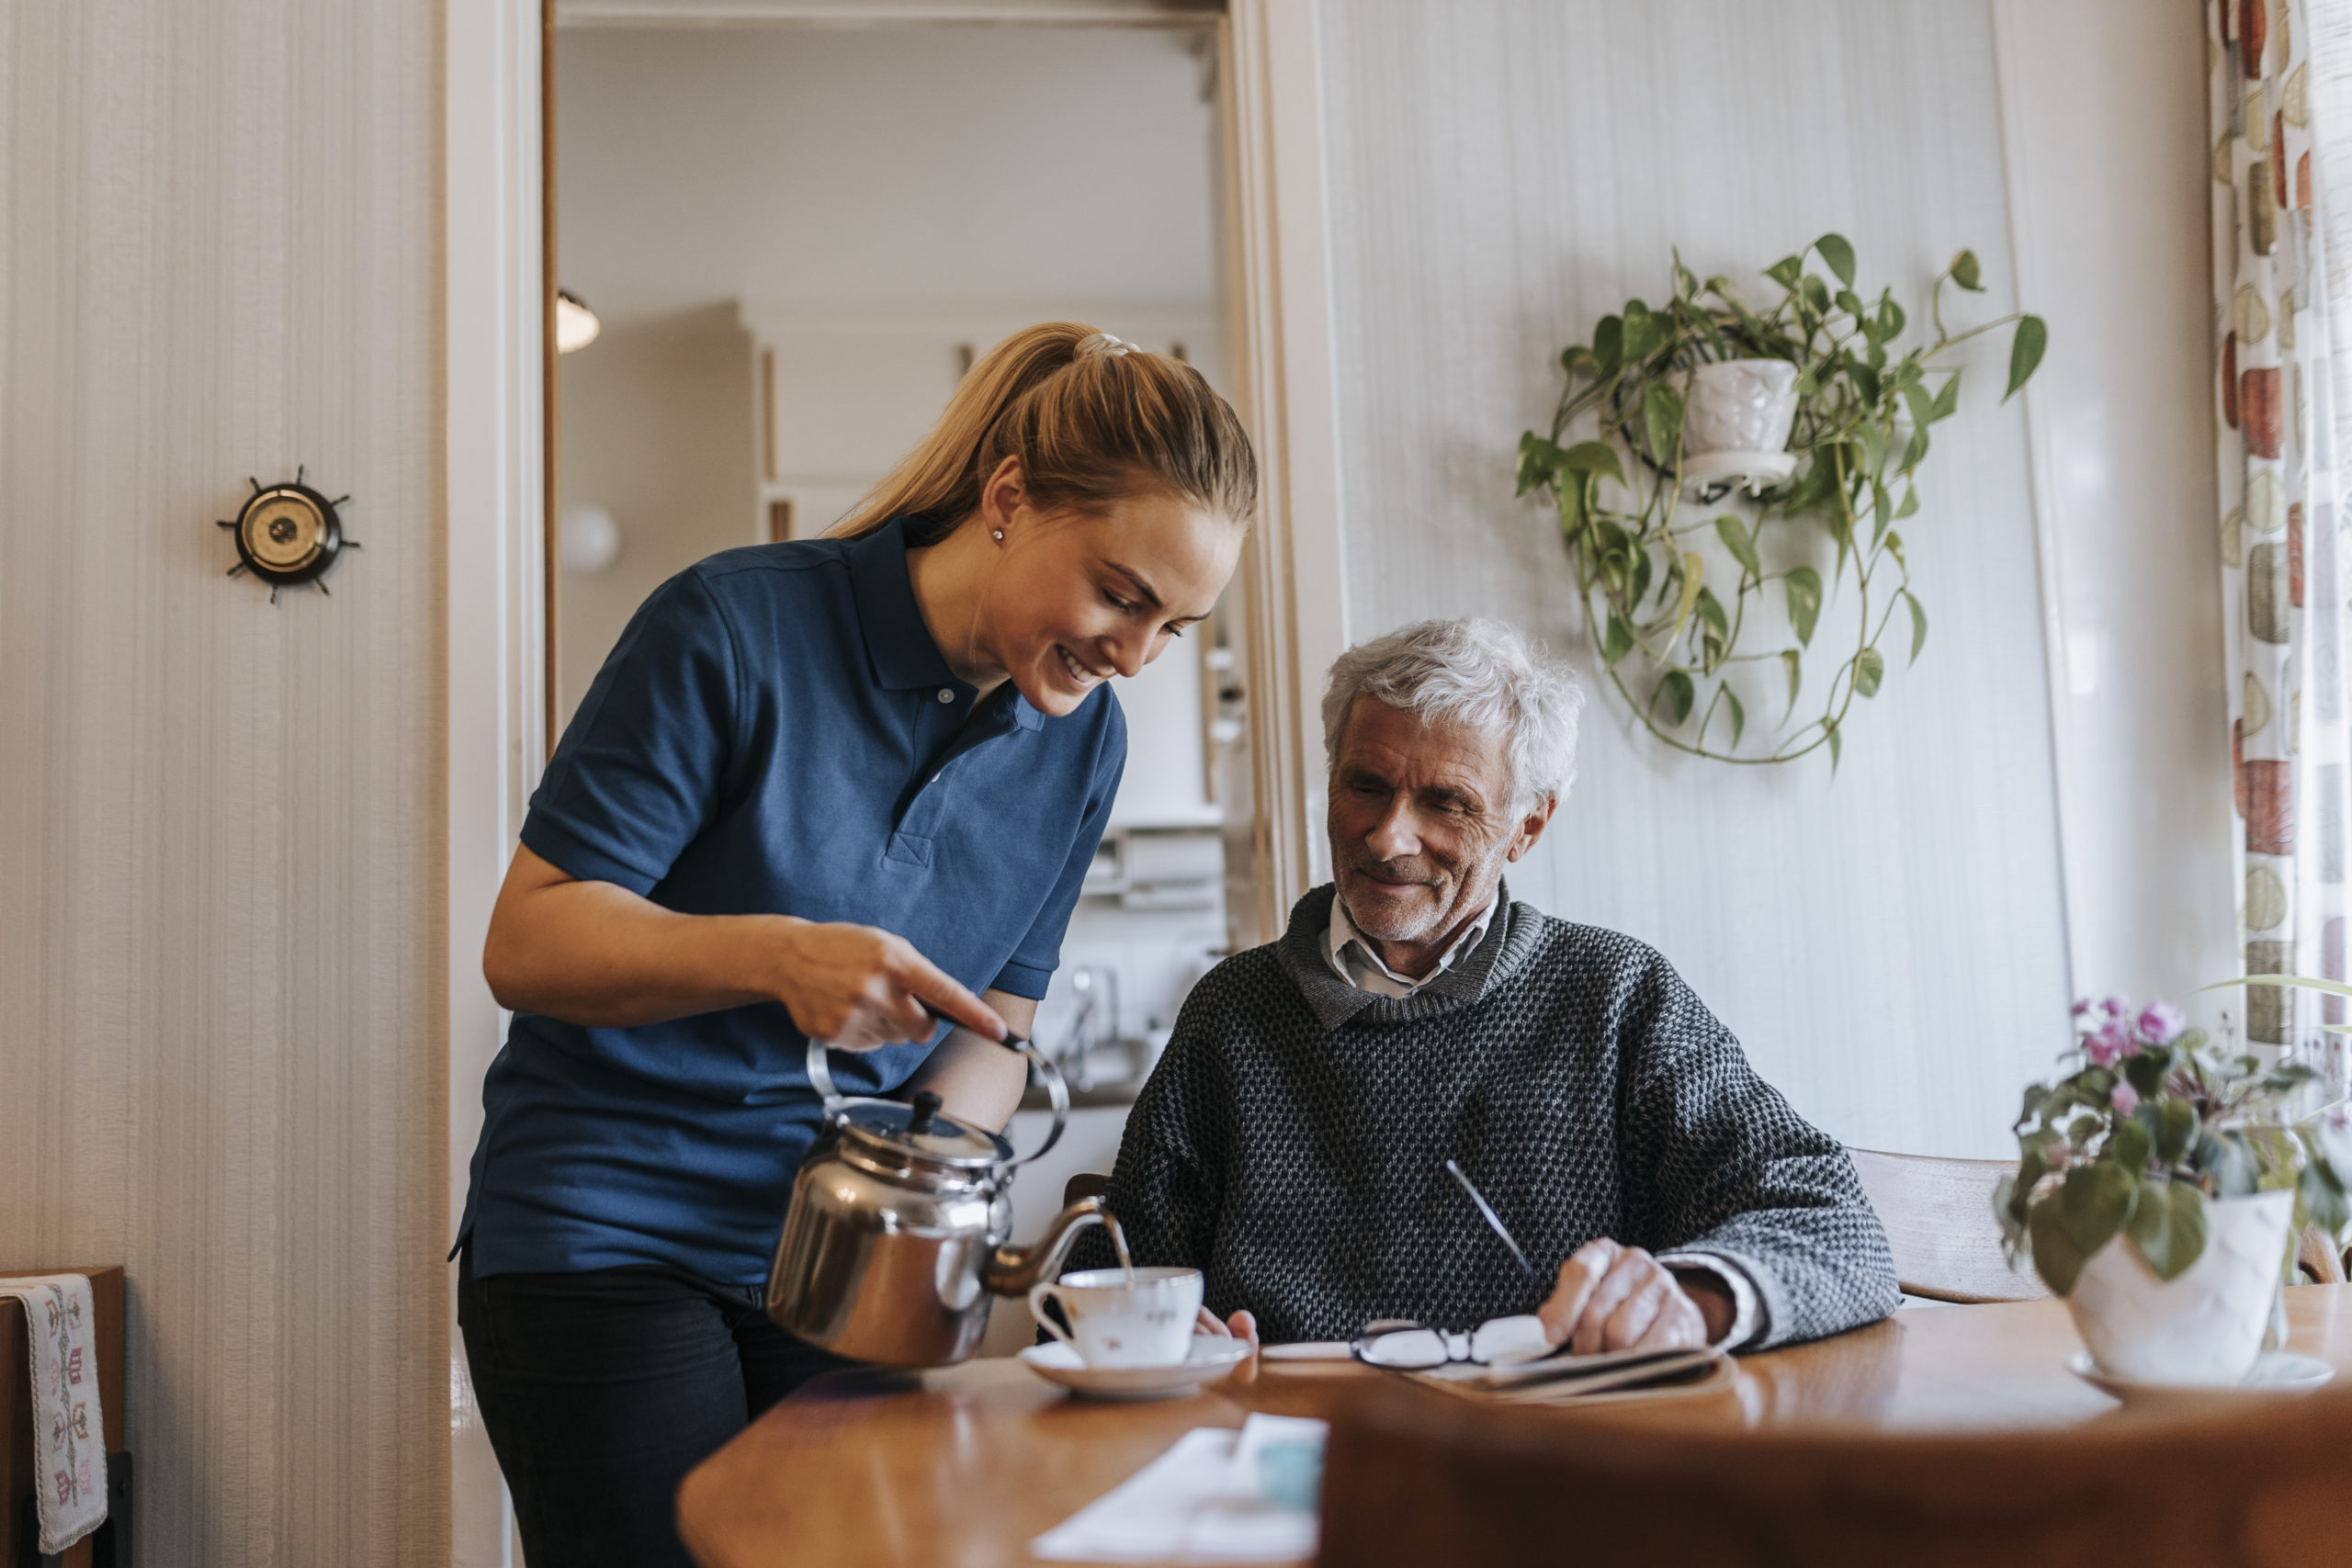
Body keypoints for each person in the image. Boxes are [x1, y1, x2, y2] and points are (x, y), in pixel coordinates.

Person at [455, 324, 1256, 1566]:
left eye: (1177, 624)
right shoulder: (733, 625)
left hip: (833, 1260)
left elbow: (1002, 1022)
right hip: (607, 1228)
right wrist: (779, 955)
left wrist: (934, 1162)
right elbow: (531, 936)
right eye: (1119, 593)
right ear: (1008, 500)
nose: (1134, 655)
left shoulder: (1083, 745)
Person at [1074, 617, 1898, 1354]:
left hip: (1552, 1465)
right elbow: (1100, 1275)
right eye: (1366, 784)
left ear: (1526, 826)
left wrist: (1692, 1299)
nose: (1390, 835)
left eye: (1446, 802)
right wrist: (1157, 1330)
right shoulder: (1232, 1012)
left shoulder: (1617, 997)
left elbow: (1837, 1225)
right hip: (1296, 1462)